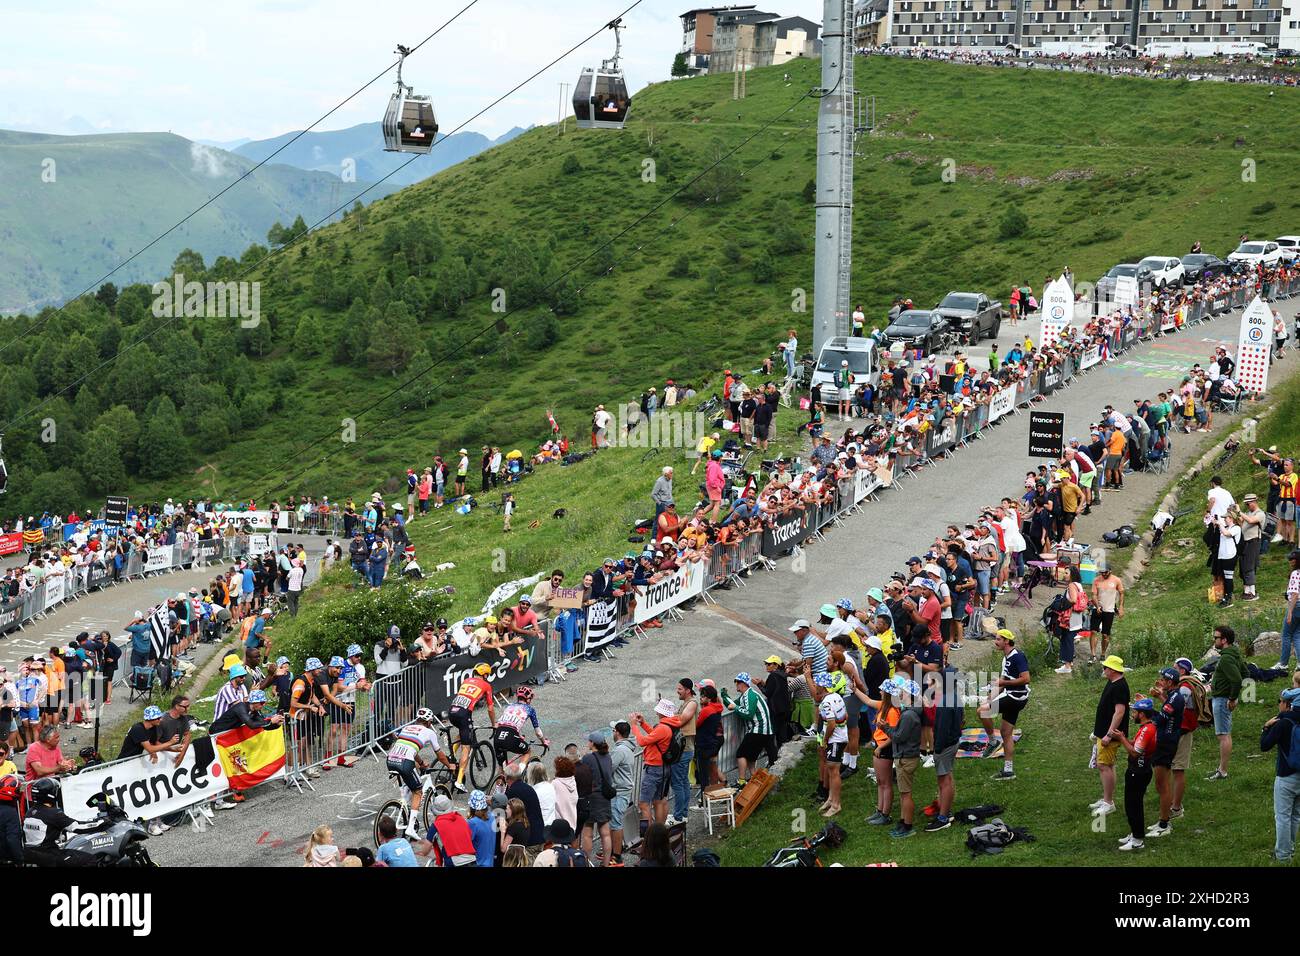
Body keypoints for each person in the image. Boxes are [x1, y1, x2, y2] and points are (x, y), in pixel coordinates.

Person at [385, 707, 454, 835]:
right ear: (428, 722)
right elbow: (440, 755)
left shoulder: (407, 728)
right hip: (404, 762)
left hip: (390, 760)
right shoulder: (429, 732)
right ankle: (410, 828)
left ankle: (405, 805)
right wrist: (449, 765)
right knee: (418, 791)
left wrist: (421, 763)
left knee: (409, 783)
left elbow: (411, 748)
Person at [979, 629, 1030, 780]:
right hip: (1013, 696)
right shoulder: (1005, 658)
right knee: (1006, 733)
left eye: (998, 639)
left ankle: (993, 742)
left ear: (1006, 641)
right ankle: (1009, 771)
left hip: (1016, 698)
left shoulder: (1018, 656)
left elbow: (1026, 679)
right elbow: (1001, 683)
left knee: (982, 711)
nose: (996, 642)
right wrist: (989, 698)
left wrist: (1004, 683)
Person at [1113, 697, 1159, 852]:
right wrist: (1126, 739)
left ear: (1142, 714)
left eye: (1135, 712)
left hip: (1138, 772)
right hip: (1139, 771)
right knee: (1131, 804)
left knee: (1134, 806)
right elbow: (1139, 744)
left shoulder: (1147, 730)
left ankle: (1138, 839)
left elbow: (1135, 753)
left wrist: (1121, 739)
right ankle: (1134, 833)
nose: (1133, 715)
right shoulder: (1149, 726)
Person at [1261, 687, 1300, 862]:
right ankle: (1289, 850)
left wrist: (1266, 727)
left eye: (1280, 701)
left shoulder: (1282, 723)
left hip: (1286, 775)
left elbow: (1265, 745)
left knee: (1282, 816)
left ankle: (1283, 856)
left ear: (1288, 705)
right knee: (1295, 815)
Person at [1090, 656, 1130, 819]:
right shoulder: (1113, 682)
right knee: (1109, 764)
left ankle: (1109, 802)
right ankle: (1107, 798)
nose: (1104, 670)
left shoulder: (1119, 687)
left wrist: (1108, 734)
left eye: (1106, 667)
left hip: (1110, 734)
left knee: (1103, 765)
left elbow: (1119, 712)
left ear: (1113, 670)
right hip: (1103, 731)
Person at [629, 698, 678, 826]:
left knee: (644, 804)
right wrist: (643, 724)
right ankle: (660, 831)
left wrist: (634, 726)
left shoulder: (663, 727)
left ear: (662, 713)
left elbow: (642, 742)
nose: (657, 713)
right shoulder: (670, 725)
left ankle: (649, 836)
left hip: (654, 769)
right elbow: (655, 736)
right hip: (663, 767)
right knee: (659, 800)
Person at [449, 663, 496, 791]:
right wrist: (493, 724)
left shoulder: (466, 680)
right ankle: (459, 781)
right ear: (485, 674)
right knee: (466, 748)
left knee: (462, 733)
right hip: (464, 715)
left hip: (452, 711)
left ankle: (450, 756)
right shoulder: (486, 685)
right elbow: (490, 709)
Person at [1207, 624, 1244, 781]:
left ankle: (1222, 770)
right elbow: (1245, 672)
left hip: (1222, 700)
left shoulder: (1227, 658)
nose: (1214, 640)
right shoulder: (1233, 654)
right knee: (1224, 734)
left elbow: (1237, 679)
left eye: (1216, 637)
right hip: (1224, 698)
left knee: (1223, 735)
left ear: (1224, 640)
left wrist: (1231, 698)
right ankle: (1222, 769)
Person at [725, 672, 775, 785]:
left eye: (737, 682)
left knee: (741, 754)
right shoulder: (745, 695)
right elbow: (731, 704)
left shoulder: (750, 695)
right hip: (762, 731)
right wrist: (723, 696)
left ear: (743, 683)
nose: (735, 685)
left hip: (759, 730)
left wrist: (736, 707)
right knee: (751, 758)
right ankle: (755, 780)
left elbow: (748, 713)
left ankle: (742, 781)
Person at [580, 732, 615, 866]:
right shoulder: (608, 757)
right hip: (604, 798)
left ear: (592, 743)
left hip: (591, 797)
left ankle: (586, 863)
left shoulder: (588, 758)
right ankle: (606, 863)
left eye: (589, 741)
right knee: (605, 833)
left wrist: (582, 757)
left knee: (587, 834)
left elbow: (583, 774)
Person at [608, 720, 637, 865]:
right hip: (623, 790)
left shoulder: (619, 750)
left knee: (616, 823)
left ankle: (616, 855)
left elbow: (609, 768)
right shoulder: (627, 747)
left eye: (613, 731)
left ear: (617, 733)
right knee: (615, 822)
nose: (612, 733)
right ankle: (613, 849)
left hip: (620, 792)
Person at [426, 793, 477, 867]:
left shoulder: (436, 826)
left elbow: (426, 848)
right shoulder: (461, 819)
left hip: (454, 862)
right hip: (472, 860)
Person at [1089, 565, 1124, 662]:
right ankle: (1093, 654)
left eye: (1105, 572)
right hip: (1097, 608)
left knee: (1105, 634)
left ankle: (1103, 653)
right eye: (1102, 573)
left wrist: (1121, 607)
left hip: (1109, 610)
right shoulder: (1096, 580)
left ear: (1110, 571)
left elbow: (1121, 593)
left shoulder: (1116, 580)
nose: (1103, 574)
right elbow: (1094, 595)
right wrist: (1097, 606)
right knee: (1093, 631)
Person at [1280, 549, 1300, 670]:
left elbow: (1294, 594)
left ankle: (1283, 663)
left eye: (1292, 559)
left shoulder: (1295, 574)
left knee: (1286, 635)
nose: (1290, 561)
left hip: (1296, 605)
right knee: (1297, 634)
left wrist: (1290, 612)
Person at [465, 790, 495, 867]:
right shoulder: (492, 817)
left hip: (478, 863)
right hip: (490, 863)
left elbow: (466, 843)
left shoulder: (472, 823)